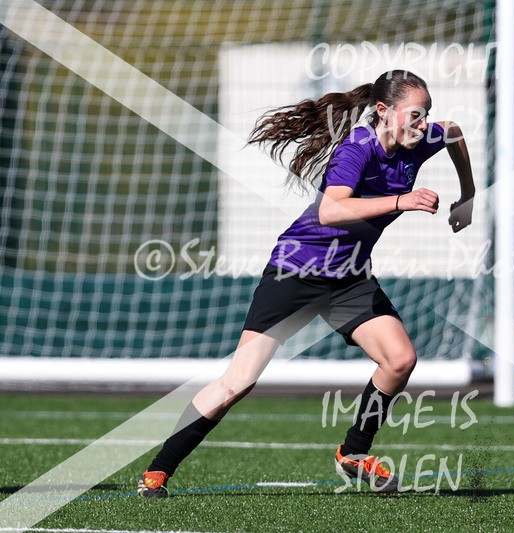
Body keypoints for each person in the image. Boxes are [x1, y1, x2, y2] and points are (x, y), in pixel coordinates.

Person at [137, 69, 475, 497]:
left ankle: (353, 453)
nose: (423, 124)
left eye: (425, 114)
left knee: (399, 359)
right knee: (237, 383)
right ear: (383, 111)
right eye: (414, 115)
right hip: (297, 271)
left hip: (348, 275)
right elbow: (331, 212)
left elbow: (455, 133)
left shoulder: (420, 138)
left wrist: (469, 195)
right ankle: (158, 471)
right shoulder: (357, 148)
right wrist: (400, 201)